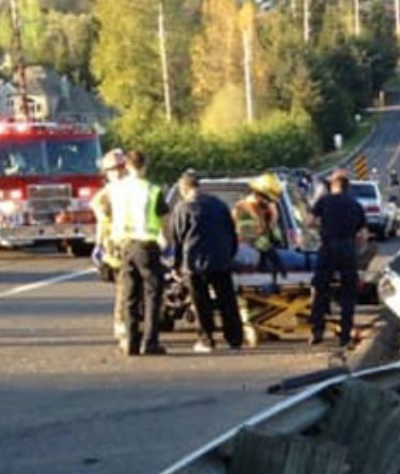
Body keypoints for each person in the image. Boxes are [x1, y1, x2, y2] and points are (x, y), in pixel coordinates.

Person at [102, 148, 169, 356]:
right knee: (152, 295)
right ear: (145, 166)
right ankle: (150, 342)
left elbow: (106, 214)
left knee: (130, 295)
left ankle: (131, 342)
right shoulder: (152, 190)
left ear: (126, 166)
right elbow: (165, 221)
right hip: (147, 246)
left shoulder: (115, 190)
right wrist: (167, 244)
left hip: (124, 246)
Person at [169, 170, 244, 353]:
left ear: (183, 189)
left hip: (194, 261)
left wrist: (176, 264)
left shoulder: (182, 208)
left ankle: (206, 339)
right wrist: (230, 254)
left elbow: (178, 238)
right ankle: (234, 338)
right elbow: (232, 233)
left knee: (201, 302)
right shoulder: (219, 205)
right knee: (227, 300)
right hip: (221, 259)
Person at [309, 167, 369, 347]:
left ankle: (317, 331)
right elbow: (364, 234)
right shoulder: (356, 205)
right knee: (348, 293)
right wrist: (357, 249)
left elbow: (309, 222)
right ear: (347, 187)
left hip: (328, 247)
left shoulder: (324, 201)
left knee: (320, 289)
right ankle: (344, 335)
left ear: (333, 186)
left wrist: (322, 226)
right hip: (348, 248)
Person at [91, 148, 132, 345]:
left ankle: (130, 323)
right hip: (116, 247)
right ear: (106, 173)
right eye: (114, 168)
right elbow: (102, 223)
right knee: (124, 287)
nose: (119, 171)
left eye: (122, 167)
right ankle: (122, 324)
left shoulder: (136, 189)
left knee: (133, 287)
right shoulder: (103, 197)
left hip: (138, 243)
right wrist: (98, 245)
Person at [234, 172, 287, 281]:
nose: (269, 202)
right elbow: (250, 236)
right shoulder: (244, 209)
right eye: (267, 199)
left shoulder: (268, 208)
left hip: (262, 251)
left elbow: (272, 231)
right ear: (257, 194)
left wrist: (277, 240)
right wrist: (271, 252)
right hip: (246, 252)